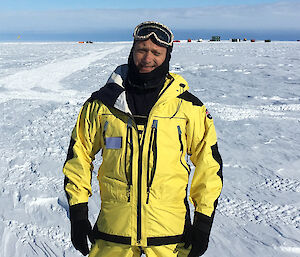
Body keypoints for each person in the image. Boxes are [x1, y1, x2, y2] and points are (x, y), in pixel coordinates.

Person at [63, 21, 223, 257]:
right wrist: (78, 214)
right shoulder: (102, 104)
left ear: (167, 56)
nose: (148, 58)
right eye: (142, 50)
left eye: (156, 53)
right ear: (132, 50)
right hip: (113, 233)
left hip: (170, 236)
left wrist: (203, 222)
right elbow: (79, 156)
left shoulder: (189, 107)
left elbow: (208, 165)